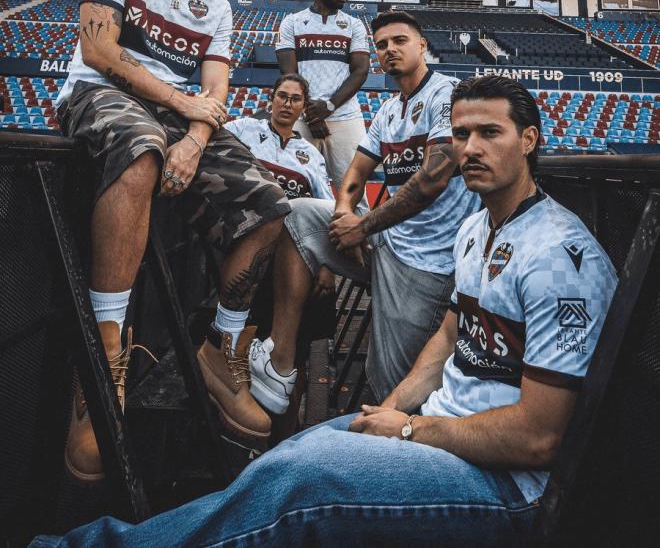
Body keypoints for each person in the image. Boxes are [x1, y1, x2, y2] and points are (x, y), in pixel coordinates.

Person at [37, 76, 617, 548]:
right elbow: (449, 335)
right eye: (460, 134)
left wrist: (409, 429)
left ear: (532, 140)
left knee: (301, 483)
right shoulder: (475, 227)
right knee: (289, 455)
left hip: (506, 486)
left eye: (490, 133)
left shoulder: (561, 258)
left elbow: (541, 439)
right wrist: (388, 418)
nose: (469, 149)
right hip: (442, 437)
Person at [55, 0, 291, 479]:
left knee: (269, 204)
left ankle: (221, 350)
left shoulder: (217, 2)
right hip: (99, 92)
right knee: (141, 150)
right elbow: (101, 50)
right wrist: (176, 114)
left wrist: (193, 137)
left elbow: (214, 93)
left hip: (179, 115)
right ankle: (103, 363)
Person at [249, 11, 480, 413]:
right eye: (381, 45)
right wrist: (343, 219)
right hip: (386, 241)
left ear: (422, 45)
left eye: (400, 41)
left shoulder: (448, 94)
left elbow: (433, 178)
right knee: (299, 215)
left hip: (431, 263)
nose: (389, 49)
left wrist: (363, 226)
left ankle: (398, 458)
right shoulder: (390, 110)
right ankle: (279, 361)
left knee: (390, 381)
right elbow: (355, 174)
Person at [275, 0, 370, 192]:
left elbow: (361, 71)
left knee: (354, 192)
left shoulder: (355, 25)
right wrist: (311, 114)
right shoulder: (292, 23)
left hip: (345, 118)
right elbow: (289, 75)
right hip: (302, 119)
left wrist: (328, 106)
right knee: (297, 190)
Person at [224, 73, 334, 204]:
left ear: (304, 107)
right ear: (272, 99)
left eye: (296, 99)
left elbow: (327, 205)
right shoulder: (243, 128)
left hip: (290, 221)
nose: (287, 104)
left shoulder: (314, 156)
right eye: (282, 96)